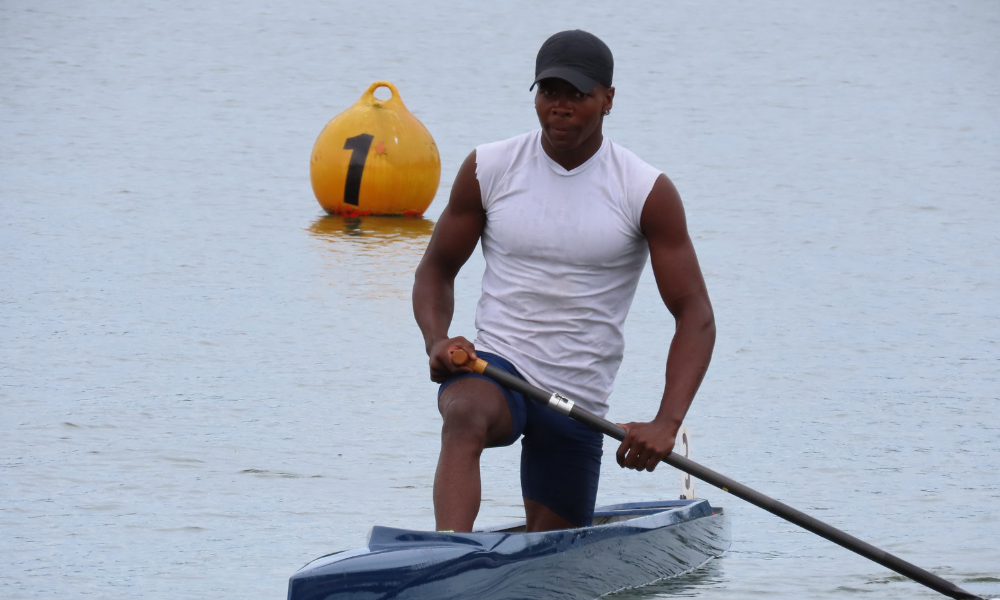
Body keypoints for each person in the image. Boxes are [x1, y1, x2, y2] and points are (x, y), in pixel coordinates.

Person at [412, 29, 715, 533]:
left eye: (578, 93)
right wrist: (437, 339)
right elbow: (436, 271)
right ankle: (448, 556)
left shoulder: (645, 191)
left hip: (579, 401)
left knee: (554, 543)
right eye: (551, 91)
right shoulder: (490, 167)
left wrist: (667, 422)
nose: (562, 106)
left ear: (608, 99)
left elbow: (695, 316)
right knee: (464, 410)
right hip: (498, 369)